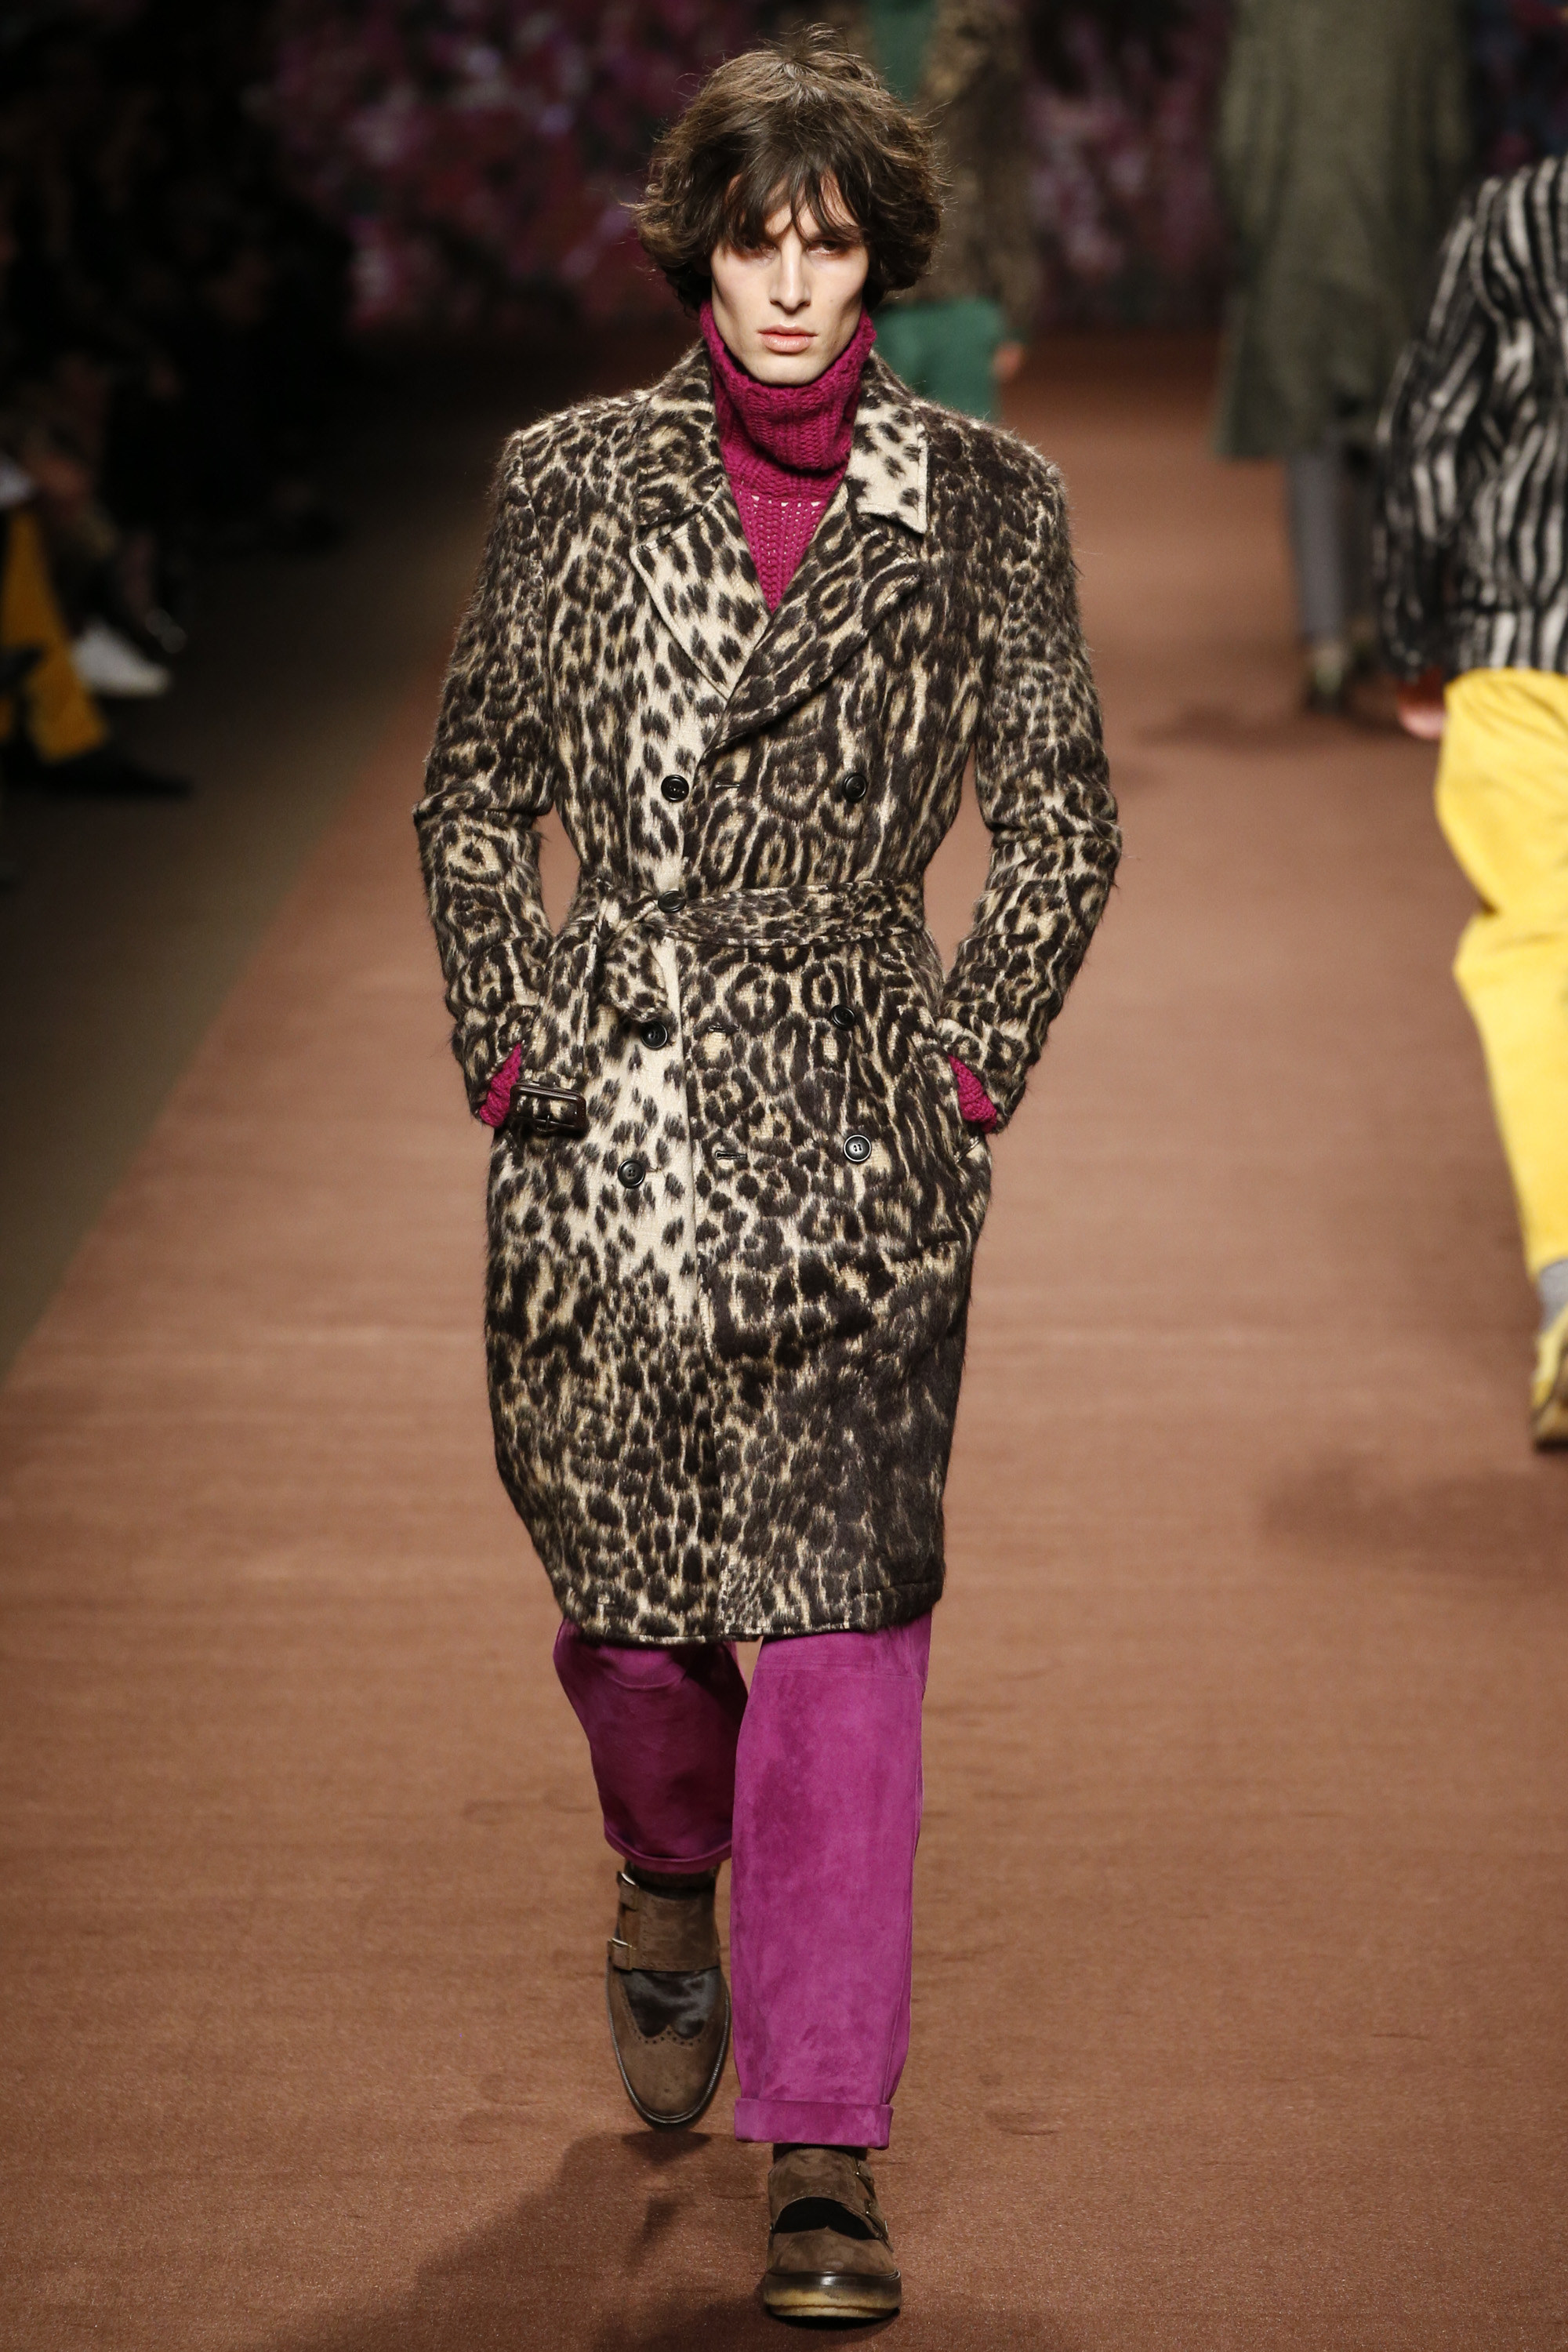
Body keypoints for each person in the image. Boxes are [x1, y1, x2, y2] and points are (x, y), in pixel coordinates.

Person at [414, 31, 1119, 2321]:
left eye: (828, 244)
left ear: (878, 260)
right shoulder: (566, 482)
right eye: (755, 242)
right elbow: (471, 789)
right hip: (603, 1129)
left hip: (857, 1143)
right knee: (633, 1625)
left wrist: (967, 1071)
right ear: (698, 254)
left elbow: (1060, 814)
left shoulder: (983, 501)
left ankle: (823, 2144)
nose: (794, 286)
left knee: (840, 1640)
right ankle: (658, 1860)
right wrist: (506, 1034)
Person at [1377, 154, 1568, 1450]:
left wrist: (1413, 635)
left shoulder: (1514, 220)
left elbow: (1434, 433)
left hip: (1523, 643)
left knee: (1538, 956)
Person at [1214, 0, 1471, 712]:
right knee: (1386, 438)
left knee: (1311, 439)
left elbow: (1240, 134)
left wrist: (1256, 233)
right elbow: (1449, 140)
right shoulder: (1424, 14)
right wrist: (1434, 233)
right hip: (1394, 246)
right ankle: (1371, 623)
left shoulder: (1272, 11)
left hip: (1295, 247)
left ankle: (1326, 638)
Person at [792, 0, 1036, 418]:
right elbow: (799, 168)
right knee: (862, 448)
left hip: (961, 285)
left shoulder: (985, 31)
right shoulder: (819, 29)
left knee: (961, 450)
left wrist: (1016, 305)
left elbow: (1005, 166)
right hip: (856, 286)